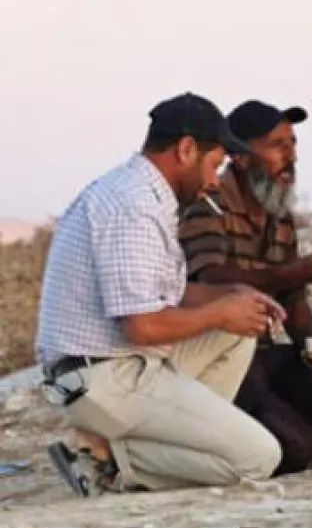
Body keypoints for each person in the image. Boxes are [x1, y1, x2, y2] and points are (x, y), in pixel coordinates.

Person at [35, 93, 286, 496]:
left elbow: (164, 294)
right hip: (103, 379)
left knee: (238, 330)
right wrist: (220, 312)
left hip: (118, 366)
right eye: (215, 163)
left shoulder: (145, 194)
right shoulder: (132, 207)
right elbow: (142, 325)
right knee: (257, 458)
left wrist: (234, 295)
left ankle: (143, 443)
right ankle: (107, 460)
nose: (214, 180)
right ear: (186, 149)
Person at [178, 100, 312, 477]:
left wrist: (310, 346)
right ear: (242, 157)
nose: (291, 156)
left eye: (293, 144)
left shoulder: (278, 214)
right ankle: (246, 434)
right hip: (217, 362)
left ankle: (263, 427)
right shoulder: (208, 205)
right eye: (278, 145)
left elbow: (293, 295)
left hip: (262, 357)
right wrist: (291, 273)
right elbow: (210, 278)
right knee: (303, 453)